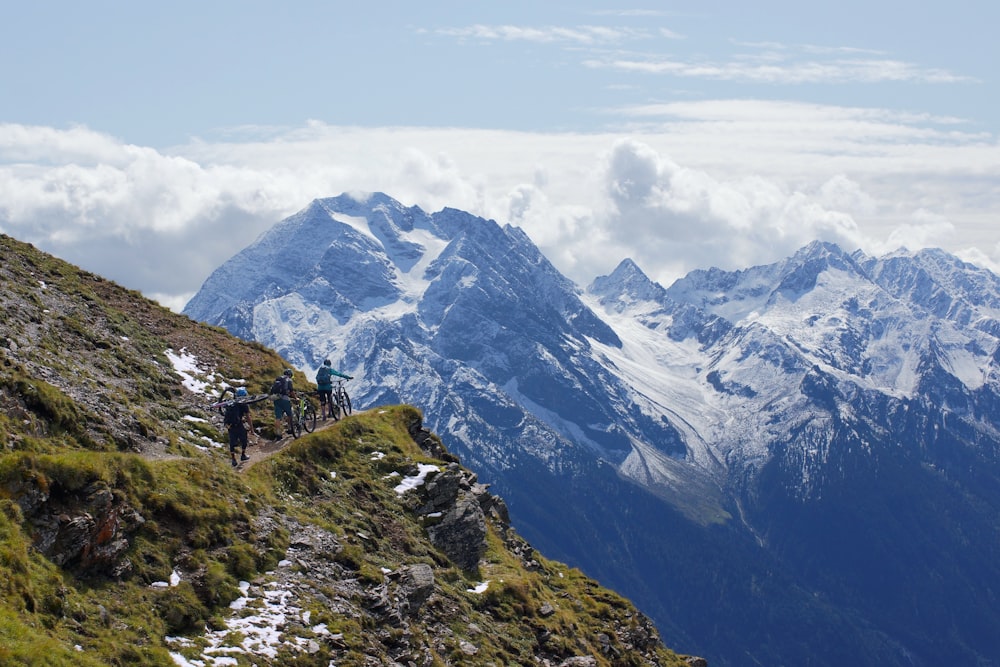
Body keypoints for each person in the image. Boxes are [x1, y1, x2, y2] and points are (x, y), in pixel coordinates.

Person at [224, 387, 254, 467]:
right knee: (244, 440)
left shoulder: (230, 403)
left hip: (229, 425)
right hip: (238, 424)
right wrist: (251, 429)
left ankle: (233, 459)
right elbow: (248, 417)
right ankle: (243, 455)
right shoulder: (243, 404)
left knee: (232, 442)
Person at [272, 368, 296, 439]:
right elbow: (291, 391)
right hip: (285, 399)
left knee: (278, 418)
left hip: (276, 398)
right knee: (289, 414)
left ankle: (278, 434)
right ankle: (290, 429)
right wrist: (295, 398)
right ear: (290, 375)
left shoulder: (278, 379)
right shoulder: (289, 380)